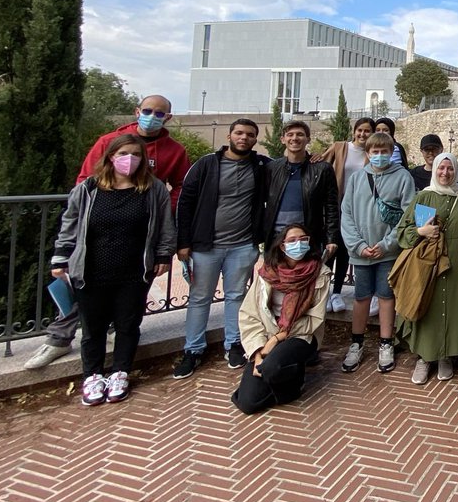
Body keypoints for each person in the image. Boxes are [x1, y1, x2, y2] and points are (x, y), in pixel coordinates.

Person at [24, 94, 190, 371]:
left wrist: (162, 209)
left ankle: (118, 345)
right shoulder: (107, 141)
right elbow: (84, 182)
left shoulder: (174, 151)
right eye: (148, 111)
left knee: (129, 299)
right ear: (137, 111)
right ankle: (59, 338)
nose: (152, 116)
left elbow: (182, 185)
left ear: (168, 118)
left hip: (139, 237)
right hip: (98, 232)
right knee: (83, 288)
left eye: (159, 113)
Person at [49, 134, 175, 406]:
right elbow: (70, 224)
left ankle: (120, 372)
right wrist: (61, 257)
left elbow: (165, 225)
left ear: (143, 159)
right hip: (92, 269)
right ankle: (92, 375)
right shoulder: (88, 189)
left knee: (128, 324)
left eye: (136, 154)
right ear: (110, 157)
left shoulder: (152, 190)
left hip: (134, 270)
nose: (129, 159)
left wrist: (164, 254)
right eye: (123, 153)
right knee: (92, 328)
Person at [173, 119, 269, 379]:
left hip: (242, 245)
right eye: (239, 133)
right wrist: (183, 242)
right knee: (199, 298)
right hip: (206, 246)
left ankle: (234, 344)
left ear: (255, 139)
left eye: (250, 134)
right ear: (229, 135)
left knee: (236, 296)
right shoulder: (206, 165)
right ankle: (192, 349)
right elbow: (185, 203)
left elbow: (290, 169)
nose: (244, 138)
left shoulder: (261, 166)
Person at [231, 224, 330, 415]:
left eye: (303, 239)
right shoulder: (267, 274)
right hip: (266, 335)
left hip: (301, 335)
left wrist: (278, 337)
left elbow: (315, 318)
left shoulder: (320, 273)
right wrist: (258, 352)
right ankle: (281, 374)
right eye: (292, 240)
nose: (298, 244)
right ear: (282, 246)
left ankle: (293, 379)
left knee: (272, 368)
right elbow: (249, 314)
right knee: (248, 403)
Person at [340, 132, 417, 375]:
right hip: (361, 251)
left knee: (386, 296)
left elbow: (408, 216)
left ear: (391, 151)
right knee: (361, 297)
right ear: (368, 153)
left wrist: (385, 245)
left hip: (387, 252)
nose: (380, 155)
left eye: (384, 151)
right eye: (375, 151)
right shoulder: (357, 178)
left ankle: (385, 343)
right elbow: (347, 214)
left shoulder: (403, 177)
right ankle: (357, 342)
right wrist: (358, 245)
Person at [396, 152, 458, 384]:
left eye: (450, 169)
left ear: (456, 171)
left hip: (457, 262)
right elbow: (404, 231)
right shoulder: (425, 196)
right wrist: (421, 232)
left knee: (453, 307)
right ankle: (424, 357)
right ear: (434, 169)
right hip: (428, 262)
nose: (445, 173)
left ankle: (446, 356)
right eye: (441, 168)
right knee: (426, 306)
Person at [316, 117, 374, 313]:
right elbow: (322, 164)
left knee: (345, 251)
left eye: (367, 131)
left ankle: (337, 292)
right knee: (330, 247)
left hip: (358, 207)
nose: (362, 134)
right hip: (336, 203)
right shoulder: (341, 147)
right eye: (360, 130)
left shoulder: (371, 153)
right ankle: (323, 292)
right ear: (354, 131)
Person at [263, 121, 339, 264]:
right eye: (290, 135)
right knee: (277, 283)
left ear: (308, 139)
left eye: (300, 134)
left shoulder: (322, 169)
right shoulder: (272, 168)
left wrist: (331, 238)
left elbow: (331, 207)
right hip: (276, 238)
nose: (295, 138)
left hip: (307, 238)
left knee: (307, 282)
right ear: (282, 139)